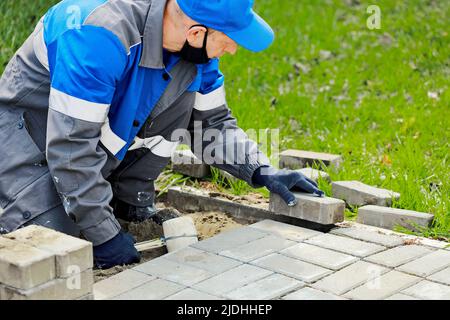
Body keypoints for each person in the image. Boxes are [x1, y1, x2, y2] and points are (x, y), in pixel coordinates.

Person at [0, 0, 324, 269]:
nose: (232, 49)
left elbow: (212, 124)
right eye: (229, 39)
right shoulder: (99, 35)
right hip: (28, 139)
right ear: (197, 32)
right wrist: (103, 234)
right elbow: (71, 148)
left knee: (178, 101)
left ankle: (128, 203)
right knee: (57, 246)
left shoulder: (194, 53)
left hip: (80, 141)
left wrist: (261, 169)